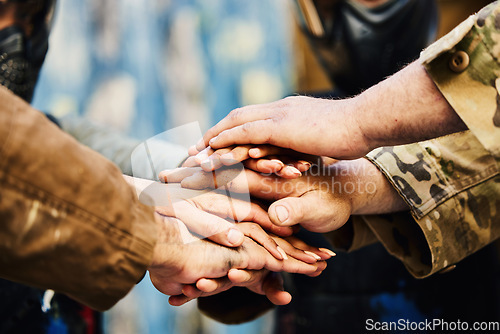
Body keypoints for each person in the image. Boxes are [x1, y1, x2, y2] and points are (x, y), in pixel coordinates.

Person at [0, 2, 333, 333]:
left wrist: (227, 180)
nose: (14, 37)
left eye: (28, 18)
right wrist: (162, 235)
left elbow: (126, 163)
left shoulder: (56, 133)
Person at [168, 0, 500, 329]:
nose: (353, 15)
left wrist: (354, 130)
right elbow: (234, 301)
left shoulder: (478, 123)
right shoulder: (289, 127)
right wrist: (221, 228)